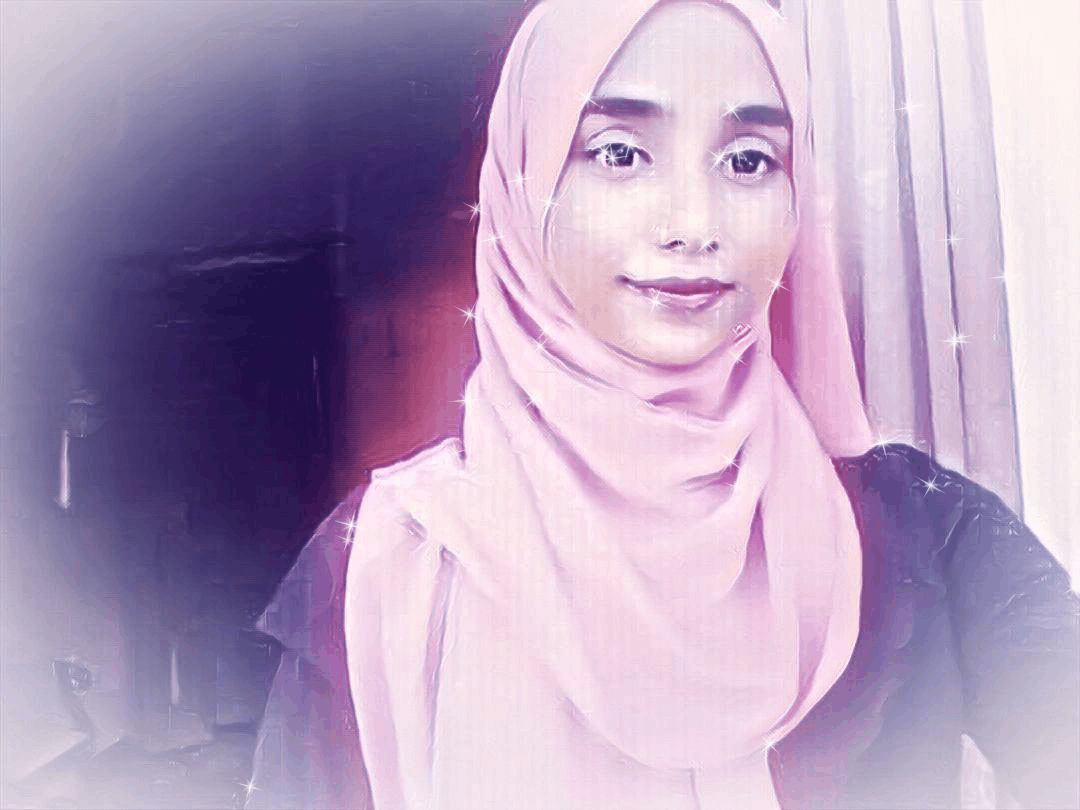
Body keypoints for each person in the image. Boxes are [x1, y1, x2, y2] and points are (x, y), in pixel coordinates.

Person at [245, 1, 1080, 808]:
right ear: (525, 184)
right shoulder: (383, 566)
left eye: (748, 161)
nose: (692, 223)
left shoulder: (927, 536)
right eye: (618, 152)